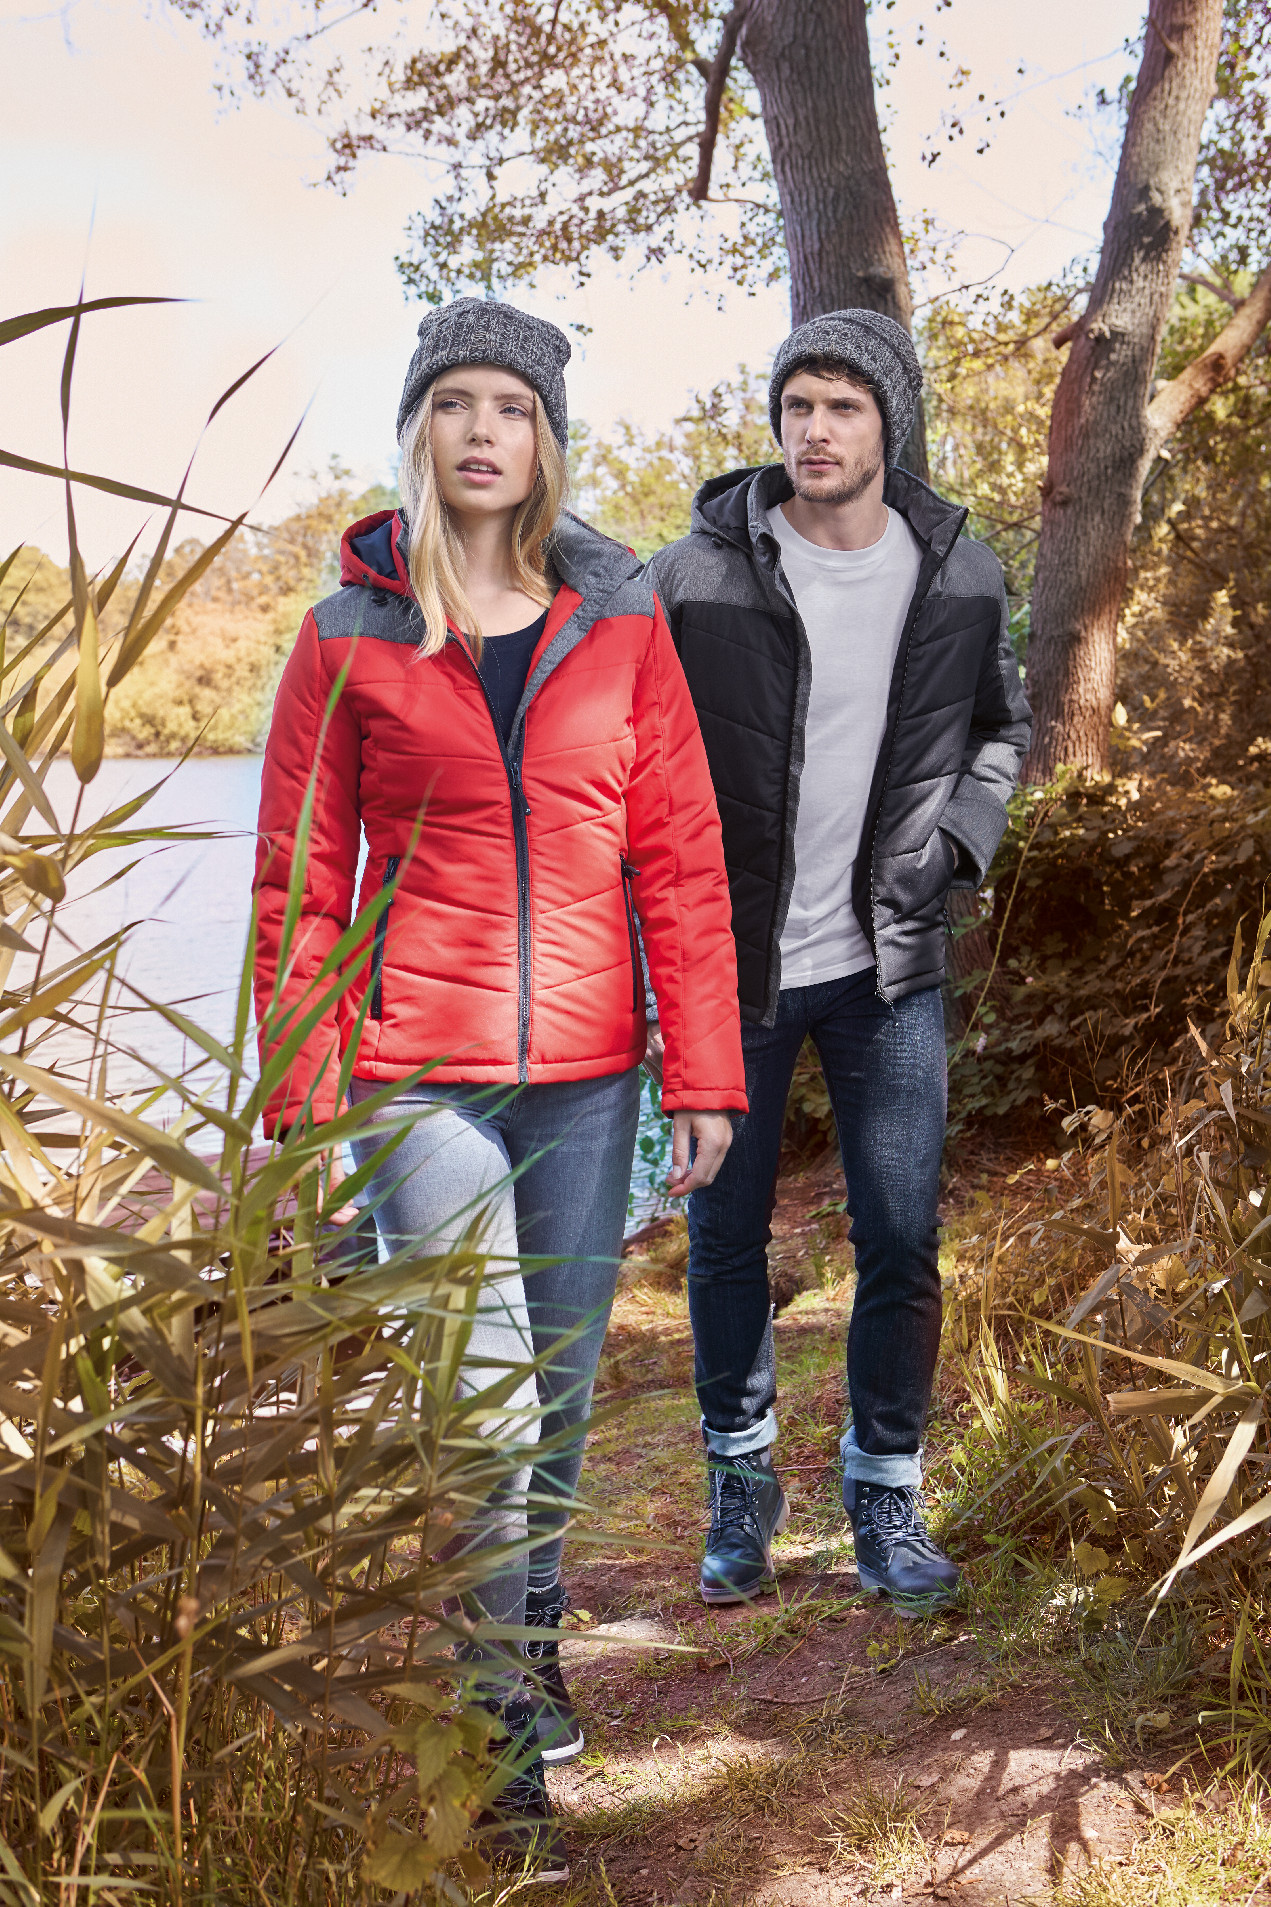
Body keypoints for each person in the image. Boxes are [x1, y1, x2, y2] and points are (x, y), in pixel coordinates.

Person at [253, 297, 746, 1877]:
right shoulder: (347, 633)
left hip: (591, 1078)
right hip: (416, 1080)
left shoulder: (621, 623)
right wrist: (301, 1102)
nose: (484, 431)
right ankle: (499, 1747)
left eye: (512, 408)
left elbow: (680, 860)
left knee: (564, 1392)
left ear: (545, 440)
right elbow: (298, 884)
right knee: (487, 1408)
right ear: (419, 429)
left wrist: (706, 1074)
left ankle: (526, 1634)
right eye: (457, 402)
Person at [646, 309, 1031, 1611]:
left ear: (888, 423)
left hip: (889, 966)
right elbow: (627, 746)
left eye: (843, 407)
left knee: (902, 1236)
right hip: (732, 969)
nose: (814, 430)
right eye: (797, 406)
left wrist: (955, 846)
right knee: (725, 1238)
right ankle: (740, 1480)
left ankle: (884, 1491)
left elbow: (1001, 729)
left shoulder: (960, 575)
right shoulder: (692, 579)